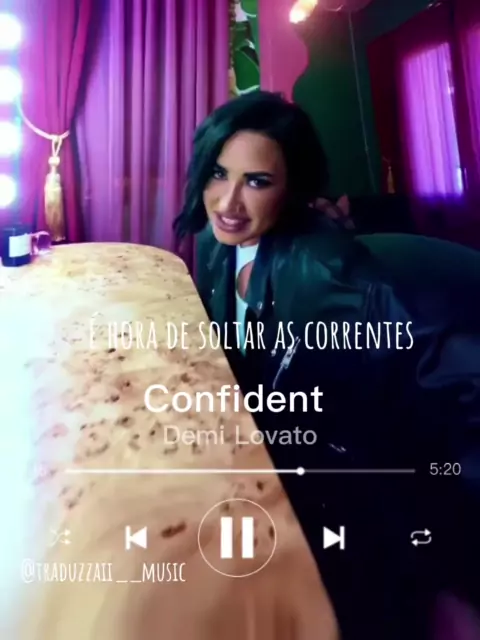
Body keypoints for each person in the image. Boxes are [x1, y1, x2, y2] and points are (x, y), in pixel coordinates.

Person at [174, 91, 480, 639]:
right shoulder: (219, 241)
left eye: (257, 181)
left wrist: (449, 571)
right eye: (219, 173)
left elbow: (456, 378)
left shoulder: (330, 275)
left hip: (356, 498)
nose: (228, 202)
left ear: (292, 188)